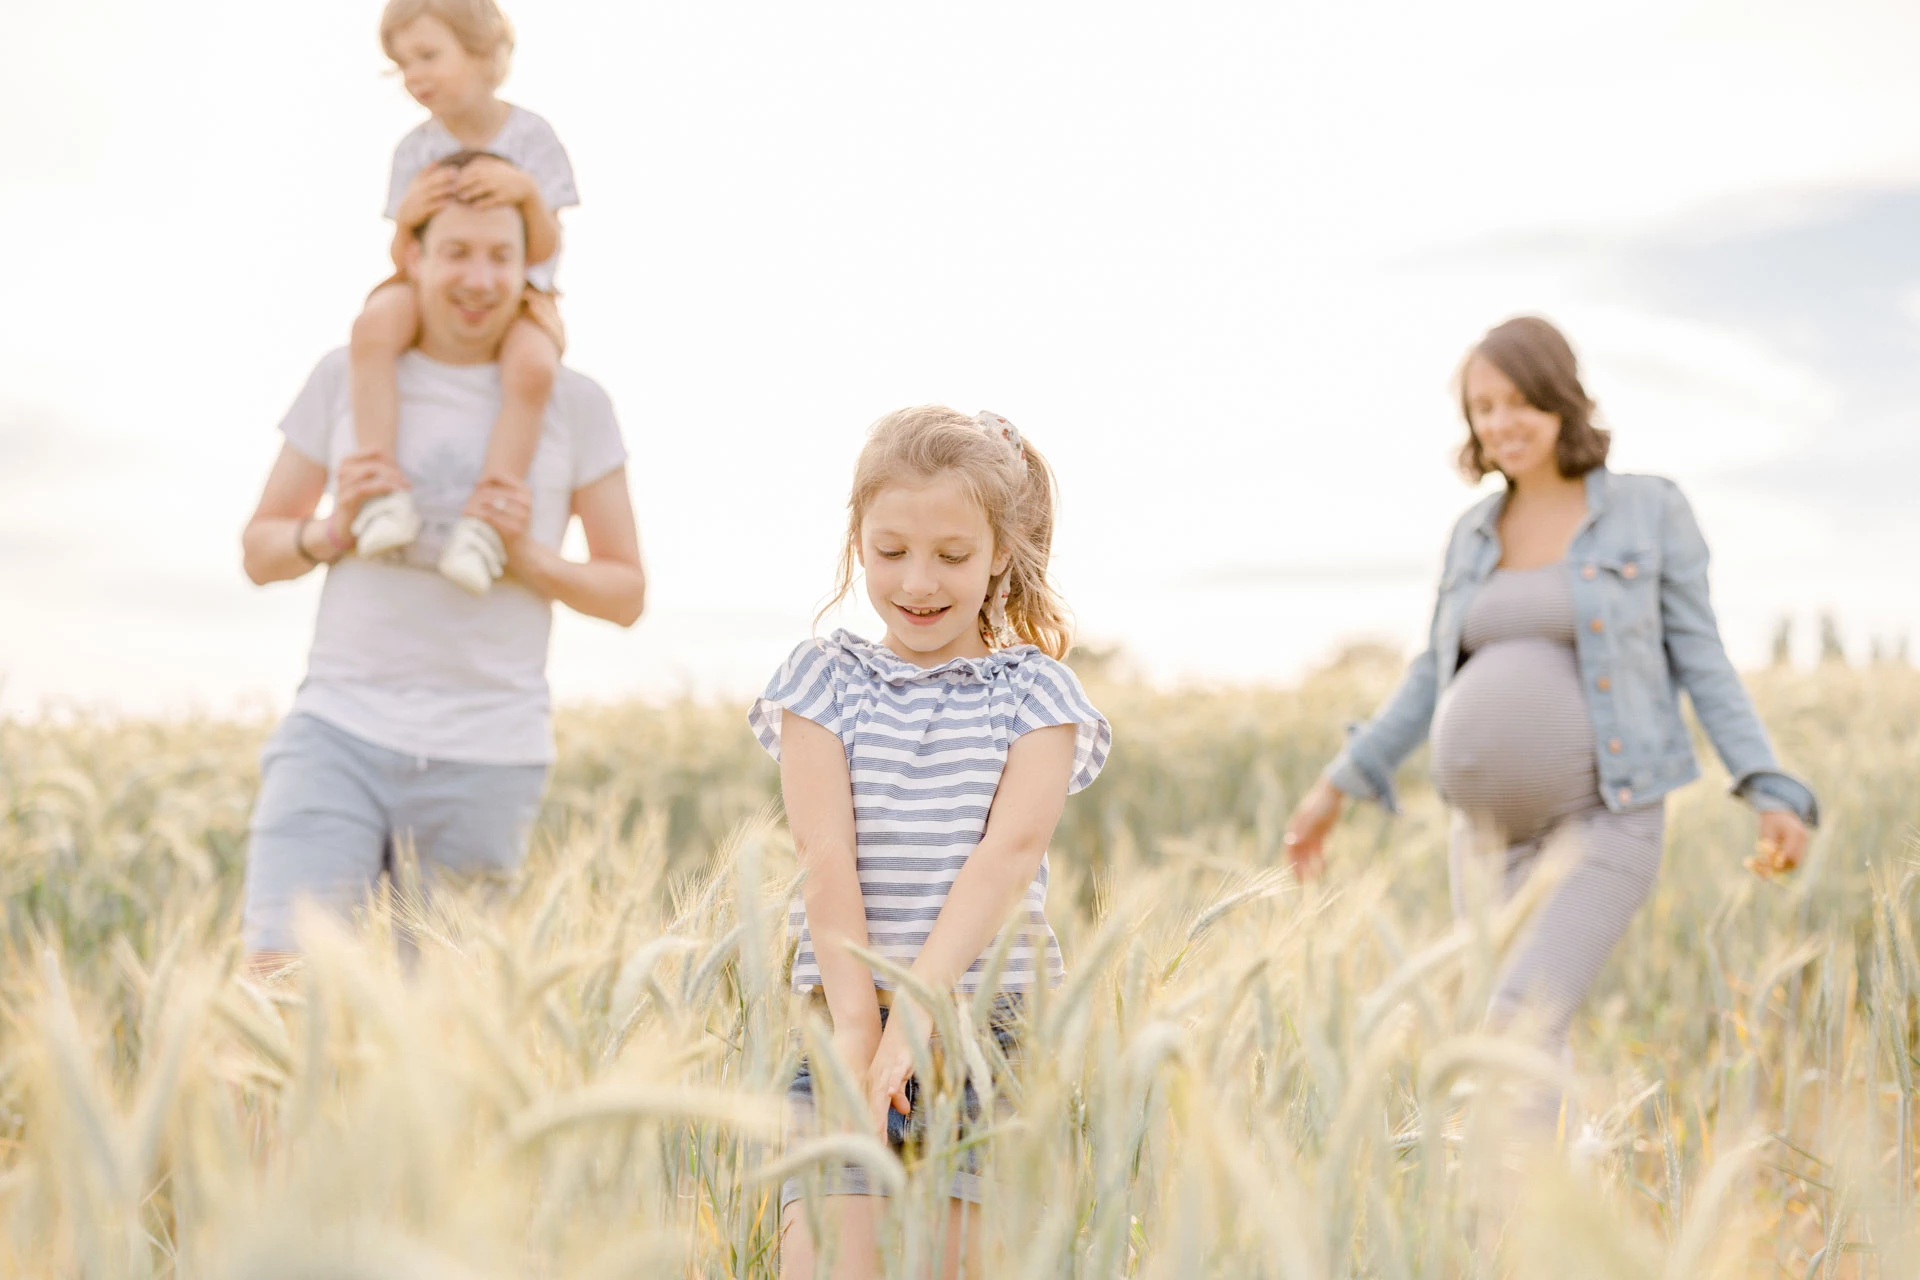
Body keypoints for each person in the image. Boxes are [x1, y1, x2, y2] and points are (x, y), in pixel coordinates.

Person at [1283, 316, 1817, 1084]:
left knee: (1515, 1025)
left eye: (1520, 401)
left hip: (1605, 816)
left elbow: (1703, 659)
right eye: (1484, 406)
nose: (1502, 422)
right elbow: (1430, 677)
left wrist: (1768, 785)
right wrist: (1332, 788)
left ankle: (1511, 1206)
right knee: (1517, 1036)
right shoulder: (1473, 532)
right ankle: (1552, 1198)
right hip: (1482, 838)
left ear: (1562, 398)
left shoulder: (1648, 510)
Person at [238, 174, 644, 969]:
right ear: (412, 257)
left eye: (502, 256)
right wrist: (331, 531)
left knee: (438, 1037)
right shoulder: (343, 376)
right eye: (456, 251)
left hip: (489, 753)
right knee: (279, 988)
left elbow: (626, 592)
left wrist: (524, 555)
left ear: (529, 269)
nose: (480, 278)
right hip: (337, 733)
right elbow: (260, 551)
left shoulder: (576, 402)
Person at [749, 408, 1111, 1279]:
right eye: (890, 551)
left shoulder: (1038, 694)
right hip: (844, 1021)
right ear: (857, 543)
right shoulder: (821, 679)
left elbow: (1008, 856)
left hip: (993, 1034)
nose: (918, 581)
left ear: (1002, 552)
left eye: (952, 556)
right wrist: (855, 1026)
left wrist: (918, 1014)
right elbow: (823, 853)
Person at [350, 0, 580, 595]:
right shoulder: (413, 152)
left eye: (428, 56)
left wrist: (526, 195)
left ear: (483, 53)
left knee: (532, 366)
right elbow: (404, 256)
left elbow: (547, 244)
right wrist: (409, 218)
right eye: (402, 65)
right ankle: (380, 490)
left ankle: (487, 516)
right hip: (431, 291)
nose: (414, 75)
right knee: (373, 326)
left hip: (522, 291)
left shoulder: (532, 137)